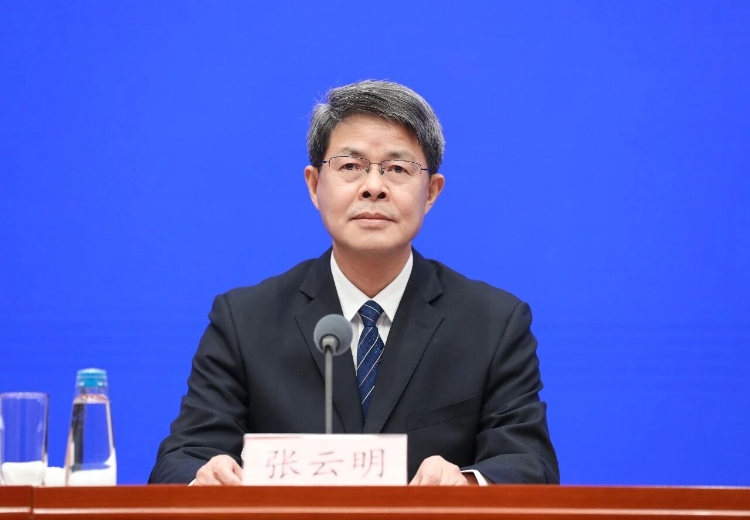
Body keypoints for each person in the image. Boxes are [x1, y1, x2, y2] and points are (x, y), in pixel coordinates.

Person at [149, 80, 559, 486]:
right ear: (314, 185)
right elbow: (180, 460)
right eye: (350, 166)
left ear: (432, 192)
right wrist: (205, 479)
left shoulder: (492, 323)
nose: (373, 187)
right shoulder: (244, 321)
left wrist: (466, 486)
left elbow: (530, 464)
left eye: (397, 169)